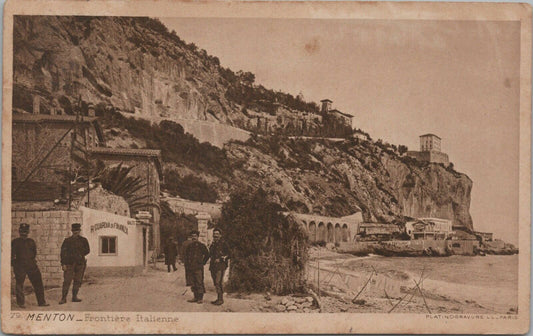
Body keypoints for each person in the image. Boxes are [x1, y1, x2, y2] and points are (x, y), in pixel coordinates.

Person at [11, 223, 49, 308]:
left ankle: (41, 302)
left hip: (31, 265)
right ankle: (21, 303)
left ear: (28, 232)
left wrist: (31, 262)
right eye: (22, 232)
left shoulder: (31, 241)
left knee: (38, 282)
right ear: (19, 232)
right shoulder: (15, 242)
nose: (24, 234)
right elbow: (12, 255)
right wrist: (15, 266)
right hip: (20, 266)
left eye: (25, 232)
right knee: (19, 284)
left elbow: (34, 253)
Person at [59, 223, 90, 304]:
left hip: (80, 264)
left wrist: (80, 254)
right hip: (69, 264)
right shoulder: (67, 241)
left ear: (79, 231)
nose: (76, 232)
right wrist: (63, 264)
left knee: (78, 280)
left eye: (77, 230)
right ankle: (63, 298)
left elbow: (87, 250)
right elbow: (62, 253)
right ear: (72, 231)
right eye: (74, 230)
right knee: (67, 281)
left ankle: (74, 297)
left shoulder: (83, 240)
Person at [183, 230, 209, 304]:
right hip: (191, 267)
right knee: (193, 282)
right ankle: (195, 297)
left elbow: (207, 255)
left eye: (195, 236)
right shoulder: (189, 246)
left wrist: (202, 263)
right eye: (192, 236)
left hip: (198, 267)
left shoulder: (201, 246)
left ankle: (200, 298)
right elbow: (187, 256)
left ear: (198, 237)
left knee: (199, 282)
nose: (194, 237)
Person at [208, 228, 230, 305]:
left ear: (220, 235)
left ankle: (221, 299)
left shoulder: (224, 244)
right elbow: (210, 254)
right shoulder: (213, 244)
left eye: (217, 234)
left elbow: (229, 254)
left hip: (221, 266)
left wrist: (221, 259)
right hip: (213, 266)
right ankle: (218, 298)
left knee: (218, 282)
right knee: (215, 282)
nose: (215, 235)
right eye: (214, 234)